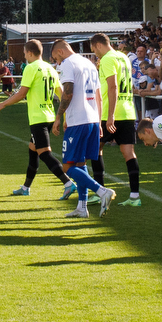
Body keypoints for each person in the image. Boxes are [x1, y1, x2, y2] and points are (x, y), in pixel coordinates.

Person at [0, 39, 68, 196]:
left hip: (38, 118)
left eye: (25, 53)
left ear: (31, 53)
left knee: (45, 153)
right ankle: (26, 188)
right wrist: (63, 117)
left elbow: (21, 94)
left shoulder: (31, 68)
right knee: (33, 151)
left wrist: (2, 104)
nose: (25, 56)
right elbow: (62, 94)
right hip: (49, 116)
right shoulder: (50, 68)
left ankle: (67, 182)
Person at [53, 38, 112, 217]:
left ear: (61, 52)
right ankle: (82, 207)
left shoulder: (68, 64)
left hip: (78, 120)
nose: (57, 62)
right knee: (81, 163)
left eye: (56, 58)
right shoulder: (89, 63)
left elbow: (68, 92)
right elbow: (98, 95)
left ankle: (101, 191)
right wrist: (99, 121)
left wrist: (58, 117)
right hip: (92, 119)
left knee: (68, 166)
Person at [92, 34, 139, 203]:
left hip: (110, 113)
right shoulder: (123, 57)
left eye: (94, 50)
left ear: (98, 45)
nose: (95, 54)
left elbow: (113, 86)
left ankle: (100, 192)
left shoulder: (107, 59)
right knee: (129, 153)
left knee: (95, 149)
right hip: (127, 111)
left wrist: (110, 115)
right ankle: (135, 196)